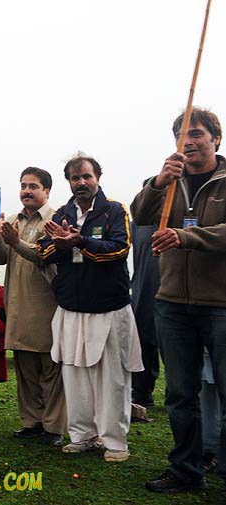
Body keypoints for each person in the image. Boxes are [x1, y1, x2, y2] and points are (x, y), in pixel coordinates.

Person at [131, 108, 226, 493]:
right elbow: (140, 215)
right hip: (171, 301)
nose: (188, 141)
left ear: (216, 139)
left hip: (220, 303)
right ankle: (186, 469)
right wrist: (158, 182)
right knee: (180, 394)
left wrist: (186, 237)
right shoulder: (169, 180)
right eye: (181, 135)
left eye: (197, 133)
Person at [37, 154, 142, 463]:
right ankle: (82, 436)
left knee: (112, 378)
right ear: (69, 182)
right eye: (75, 178)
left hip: (109, 308)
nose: (81, 182)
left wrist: (80, 242)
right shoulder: (63, 213)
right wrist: (61, 244)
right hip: (71, 307)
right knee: (74, 375)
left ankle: (115, 442)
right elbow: (44, 252)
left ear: (98, 177)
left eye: (86, 176)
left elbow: (119, 249)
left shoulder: (114, 210)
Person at [0, 167, 66, 445]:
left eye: (33, 186)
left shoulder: (56, 220)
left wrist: (15, 241)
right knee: (25, 368)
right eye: (23, 186)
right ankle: (32, 422)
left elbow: (43, 256)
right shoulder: (12, 220)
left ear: (47, 191)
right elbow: (0, 258)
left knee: (51, 369)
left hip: (46, 305)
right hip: (17, 305)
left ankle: (53, 428)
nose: (26, 191)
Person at [130, 218, 161, 408]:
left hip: (174, 292)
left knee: (176, 347)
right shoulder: (137, 224)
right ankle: (141, 393)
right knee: (143, 344)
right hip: (143, 289)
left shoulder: (180, 219)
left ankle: (177, 394)